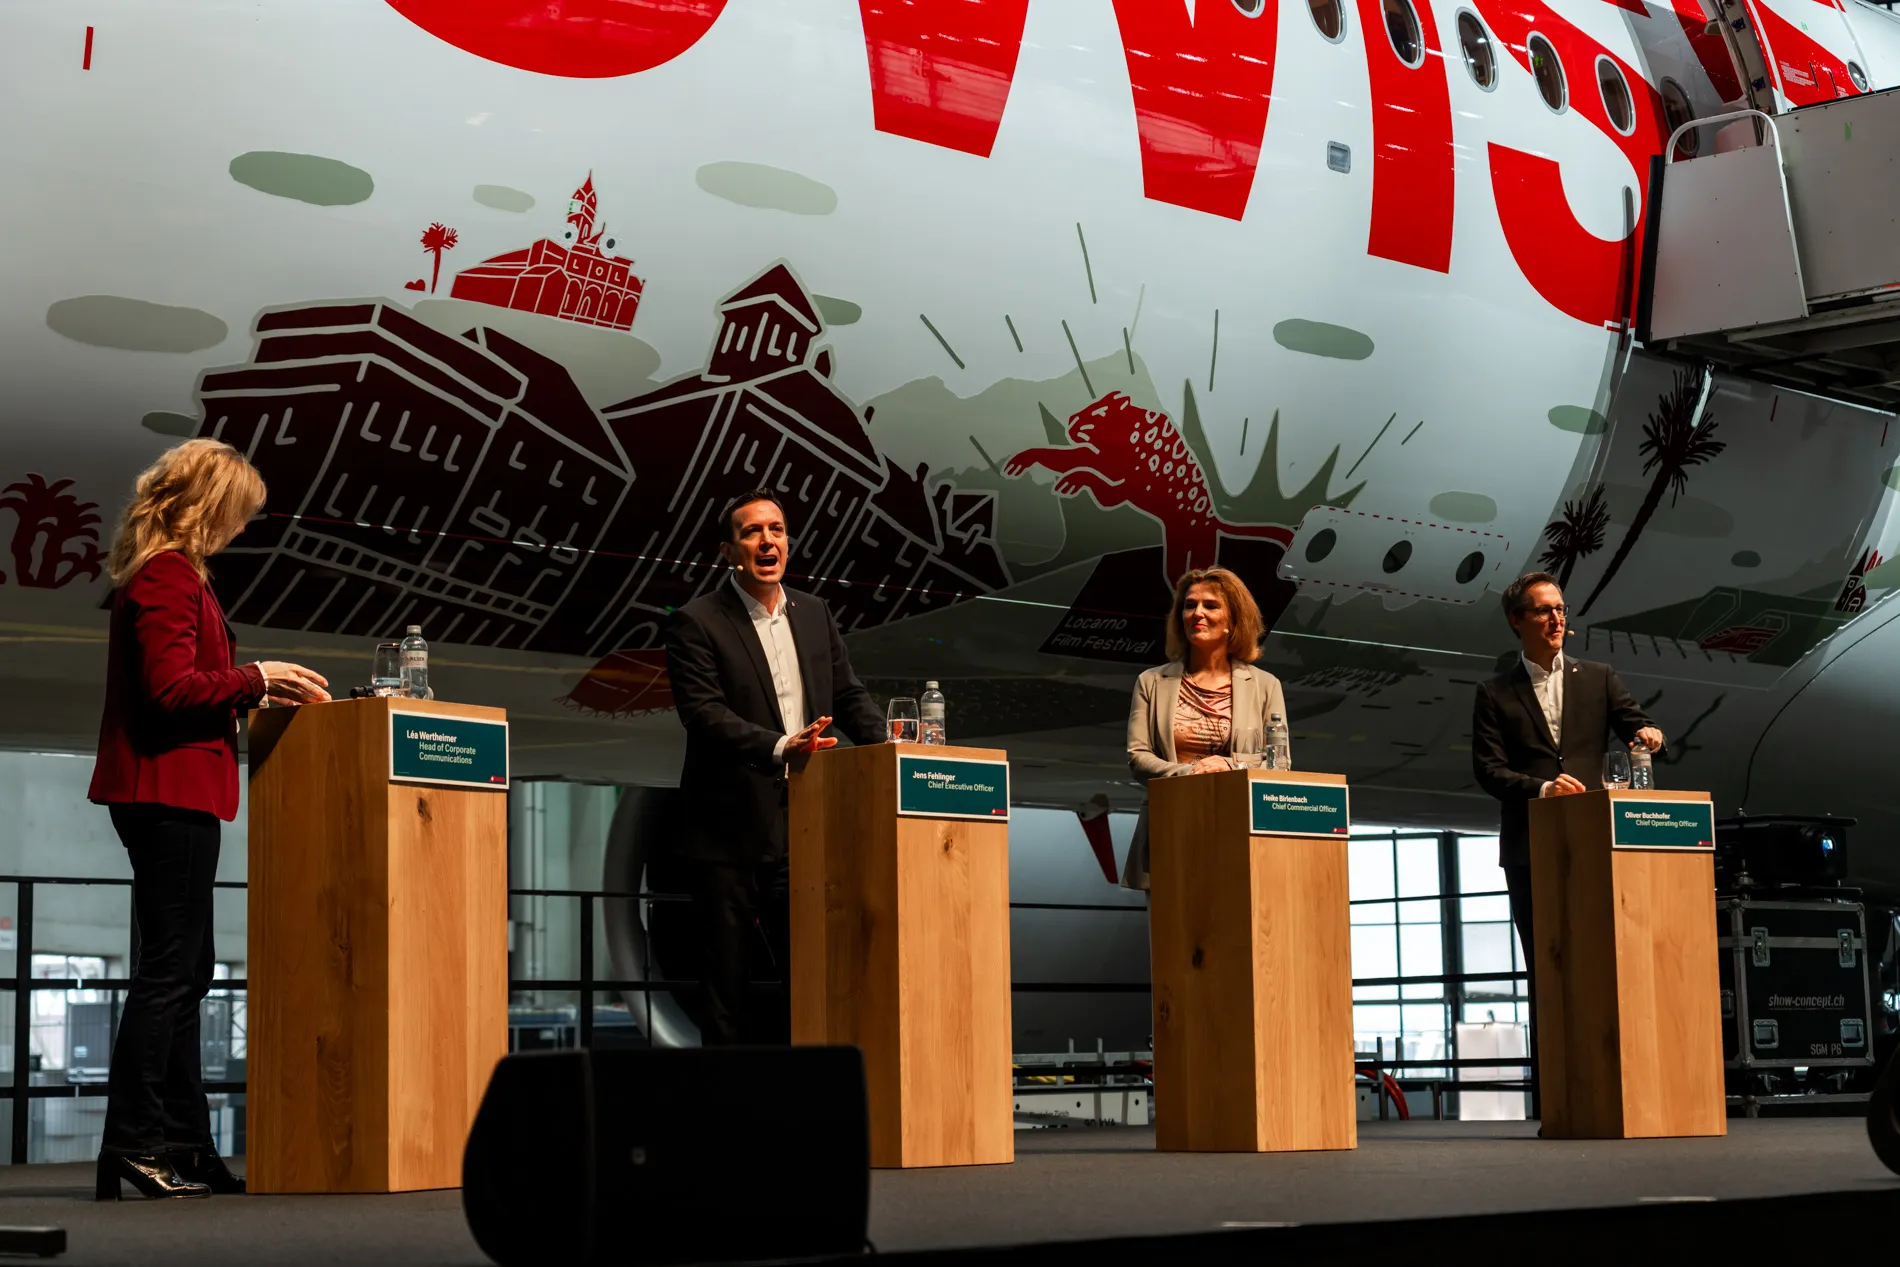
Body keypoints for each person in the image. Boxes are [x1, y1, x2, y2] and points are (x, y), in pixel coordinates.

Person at [87, 439, 331, 1200]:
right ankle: (135, 1142)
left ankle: (184, 1144)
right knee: (170, 973)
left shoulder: (169, 572)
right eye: (239, 513)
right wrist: (253, 676)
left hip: (170, 789)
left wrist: (250, 688)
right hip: (168, 788)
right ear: (209, 506)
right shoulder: (166, 574)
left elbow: (188, 682)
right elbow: (169, 690)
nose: (242, 528)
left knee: (186, 970)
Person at [662, 488, 886, 1045]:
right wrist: (783, 746)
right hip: (728, 832)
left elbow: (848, 695)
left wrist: (893, 750)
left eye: (777, 530)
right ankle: (726, 1098)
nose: (768, 541)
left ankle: (801, 1089)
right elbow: (703, 714)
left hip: (804, 824)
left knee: (809, 971)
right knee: (726, 988)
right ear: (729, 551)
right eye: (752, 532)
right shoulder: (696, 621)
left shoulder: (814, 613)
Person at [1470, 571, 1663, 1066]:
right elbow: (1488, 770)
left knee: (1603, 961)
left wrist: (1650, 734)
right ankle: (1554, 1083)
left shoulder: (1598, 677)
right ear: (1517, 621)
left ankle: (1612, 1070)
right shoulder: (1494, 693)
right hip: (1531, 850)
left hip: (1596, 844)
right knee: (1547, 969)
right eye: (1544, 610)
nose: (1556, 618)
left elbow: (1636, 725)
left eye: (1560, 609)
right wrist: (1542, 789)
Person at [1121, 567, 1288, 891]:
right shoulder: (1151, 681)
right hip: (1172, 827)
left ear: (1233, 620)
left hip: (1240, 829)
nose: (1197, 613)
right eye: (1189, 605)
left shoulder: (1266, 685)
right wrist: (1190, 773)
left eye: (1210, 605)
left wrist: (1230, 767)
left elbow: (1279, 764)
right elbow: (1138, 757)